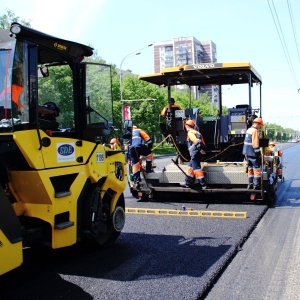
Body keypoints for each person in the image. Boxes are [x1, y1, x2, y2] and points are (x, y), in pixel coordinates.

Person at [181, 119, 207, 189]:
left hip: (194, 153)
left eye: (185, 126)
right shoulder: (197, 132)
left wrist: (198, 149)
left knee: (197, 168)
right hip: (197, 152)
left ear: (186, 126)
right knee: (190, 167)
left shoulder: (190, 132)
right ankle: (188, 182)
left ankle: (203, 184)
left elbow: (196, 141)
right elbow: (202, 143)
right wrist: (201, 149)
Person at [242, 117, 263, 190]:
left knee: (250, 168)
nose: (260, 127)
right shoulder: (254, 131)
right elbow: (255, 144)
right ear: (257, 124)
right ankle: (256, 185)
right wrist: (259, 154)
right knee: (257, 169)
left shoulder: (249, 130)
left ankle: (250, 184)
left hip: (247, 153)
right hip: (253, 153)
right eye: (260, 125)